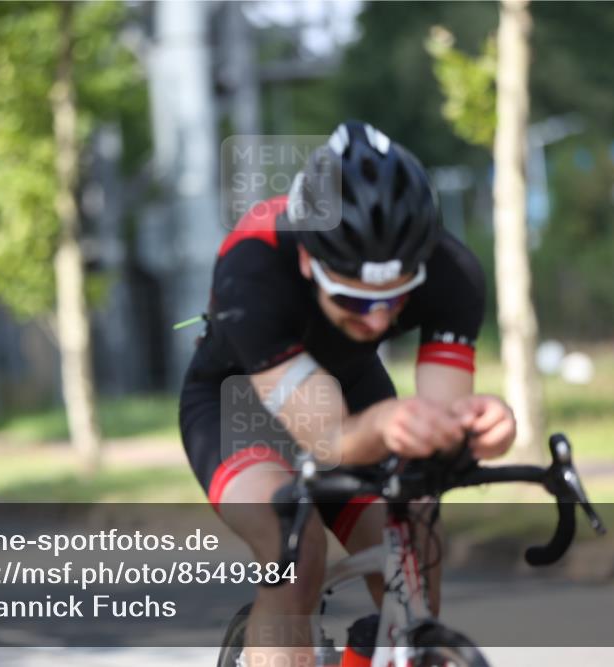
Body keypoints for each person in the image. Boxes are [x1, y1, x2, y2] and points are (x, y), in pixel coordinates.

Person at [180, 121, 518, 665]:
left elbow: (444, 420)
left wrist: (483, 426)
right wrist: (389, 426)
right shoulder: (254, 267)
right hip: (237, 403)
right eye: (356, 301)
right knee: (296, 547)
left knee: (412, 524)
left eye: (397, 297)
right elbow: (330, 439)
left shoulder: (449, 271)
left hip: (352, 388)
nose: (379, 317)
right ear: (311, 262)